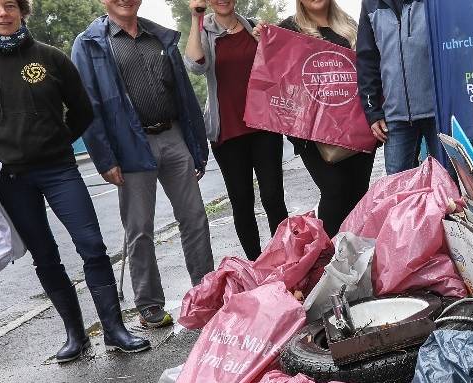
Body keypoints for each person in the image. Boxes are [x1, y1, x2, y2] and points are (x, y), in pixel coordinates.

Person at [0, 0, 150, 361]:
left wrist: (58, 140)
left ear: (22, 10)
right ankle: (75, 335)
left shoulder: (51, 58)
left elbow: (83, 110)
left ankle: (114, 330)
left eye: (10, 5)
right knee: (45, 256)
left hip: (59, 171)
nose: (2, 13)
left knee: (92, 245)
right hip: (10, 178)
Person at [72, 0, 215, 329]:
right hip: (130, 145)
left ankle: (206, 292)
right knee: (139, 229)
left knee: (195, 218)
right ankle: (149, 304)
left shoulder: (158, 36)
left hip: (173, 135)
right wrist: (105, 158)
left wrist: (196, 146)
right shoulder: (90, 43)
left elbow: (184, 94)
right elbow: (87, 105)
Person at [258, 0, 375, 237]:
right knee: (335, 190)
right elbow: (277, 83)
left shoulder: (350, 25)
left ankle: (354, 254)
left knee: (358, 195)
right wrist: (262, 41)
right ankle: (327, 254)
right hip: (313, 135)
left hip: (356, 129)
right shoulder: (288, 29)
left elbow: (369, 70)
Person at [184, 0, 289, 260]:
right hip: (228, 131)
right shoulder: (205, 32)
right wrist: (196, 18)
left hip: (264, 126)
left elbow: (279, 68)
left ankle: (286, 262)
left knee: (273, 196)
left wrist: (267, 43)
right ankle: (255, 264)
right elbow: (195, 65)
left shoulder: (253, 28)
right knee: (242, 202)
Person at [356, 0, 438, 175]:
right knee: (397, 184)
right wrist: (372, 111)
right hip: (396, 117)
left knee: (449, 181)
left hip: (439, 113)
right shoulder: (370, 4)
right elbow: (367, 61)